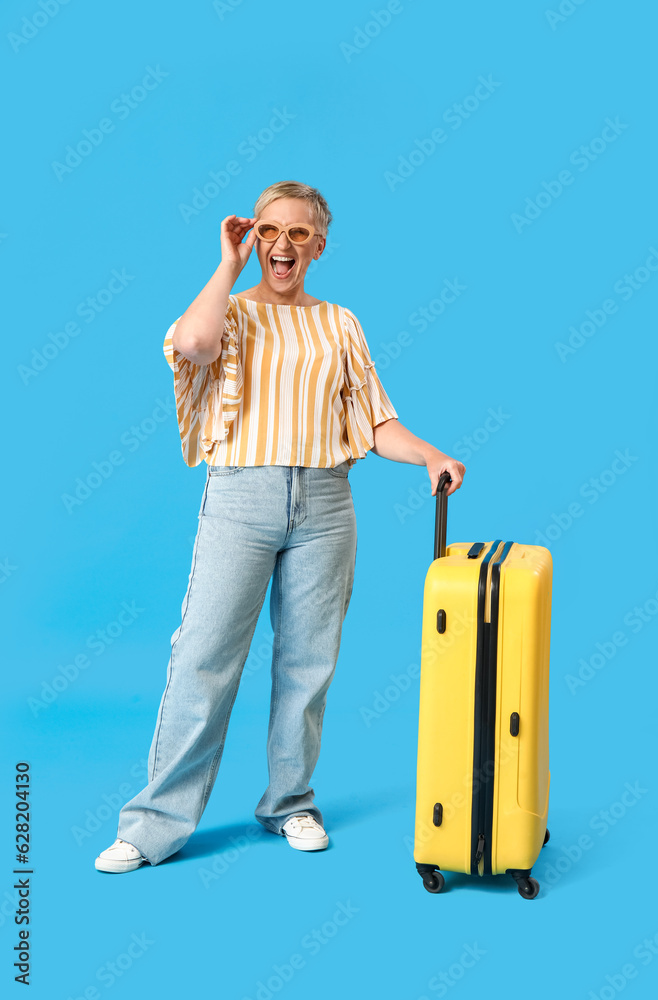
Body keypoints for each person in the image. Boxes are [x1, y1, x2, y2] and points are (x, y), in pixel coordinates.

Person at [94, 180, 465, 873]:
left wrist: (429, 454)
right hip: (241, 495)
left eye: (298, 233)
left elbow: (374, 419)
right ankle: (152, 827)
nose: (283, 245)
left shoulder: (340, 323)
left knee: (308, 660)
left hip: (326, 503)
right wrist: (227, 263)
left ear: (318, 246)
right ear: (254, 237)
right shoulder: (230, 312)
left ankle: (289, 802)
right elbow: (196, 344)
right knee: (203, 656)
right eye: (270, 231)